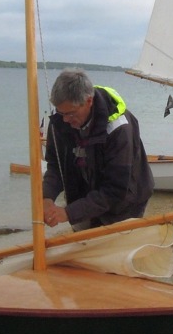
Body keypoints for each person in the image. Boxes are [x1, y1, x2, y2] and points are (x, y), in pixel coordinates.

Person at [41, 69, 154, 230]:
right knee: (83, 244)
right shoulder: (61, 120)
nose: (65, 120)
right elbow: (55, 165)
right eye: (61, 113)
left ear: (88, 101)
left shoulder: (119, 128)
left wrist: (68, 213)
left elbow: (115, 190)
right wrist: (47, 197)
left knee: (114, 249)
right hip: (84, 194)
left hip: (125, 202)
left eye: (71, 114)